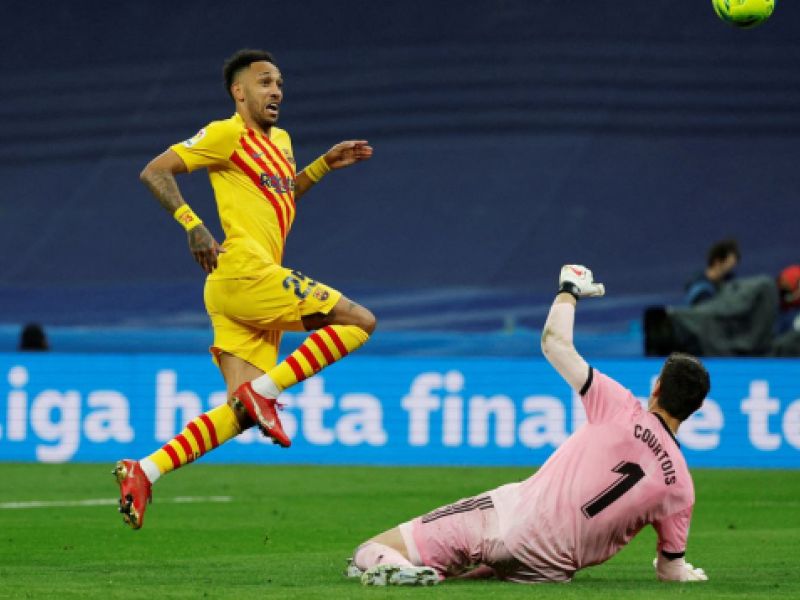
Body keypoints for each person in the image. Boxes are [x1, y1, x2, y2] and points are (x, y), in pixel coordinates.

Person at [113, 49, 376, 529]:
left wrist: (321, 166)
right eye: (265, 82)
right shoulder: (225, 133)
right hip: (243, 271)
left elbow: (279, 196)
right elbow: (155, 170)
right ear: (239, 91)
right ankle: (265, 392)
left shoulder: (283, 142)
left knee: (240, 411)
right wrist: (192, 224)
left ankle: (145, 471)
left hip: (242, 287)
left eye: (279, 83)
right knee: (361, 321)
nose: (276, 91)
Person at [348, 265, 709, 586]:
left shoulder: (622, 408)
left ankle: (400, 568)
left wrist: (569, 290)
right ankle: (433, 572)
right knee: (472, 577)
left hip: (509, 521)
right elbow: (670, 571)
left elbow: (555, 344)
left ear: (656, 388)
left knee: (369, 551)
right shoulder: (681, 487)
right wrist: (683, 573)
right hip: (549, 569)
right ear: (695, 409)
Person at [684, 239, 740, 306]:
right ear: (717, 262)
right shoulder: (700, 290)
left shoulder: (729, 282)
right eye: (729, 266)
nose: (730, 270)